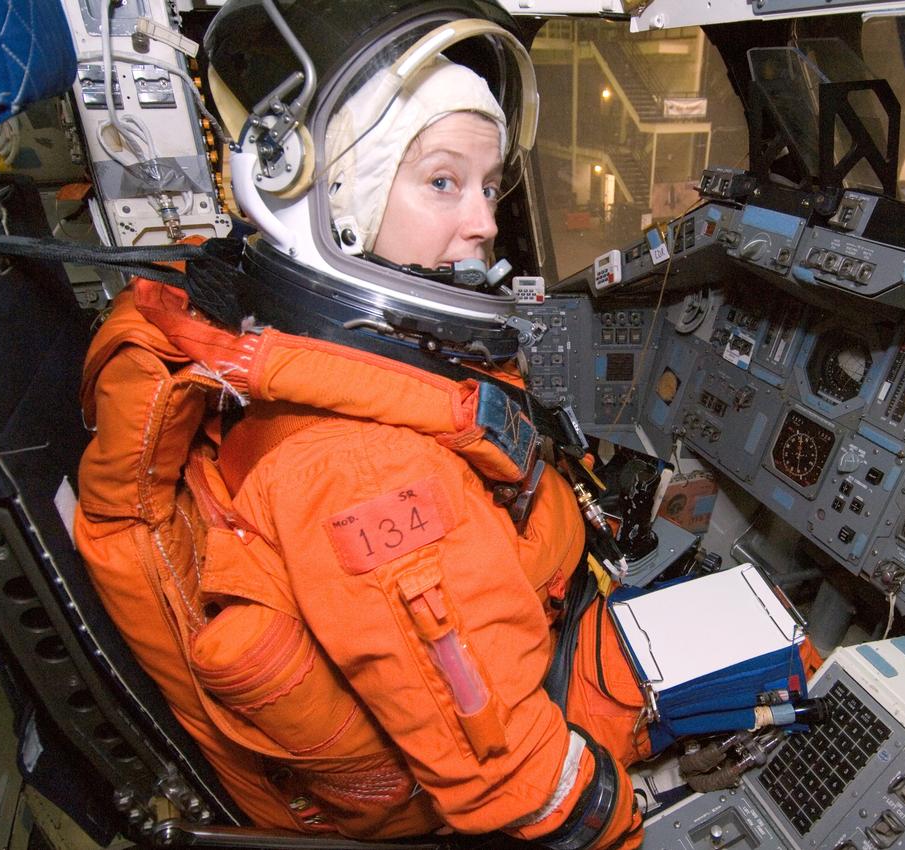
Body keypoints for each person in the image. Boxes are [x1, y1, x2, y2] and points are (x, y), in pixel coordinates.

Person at [74, 2, 651, 848]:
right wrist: (629, 823)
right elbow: (513, 779)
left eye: (490, 187)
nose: (486, 222)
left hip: (535, 631)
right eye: (443, 182)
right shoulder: (362, 471)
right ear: (337, 199)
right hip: (521, 743)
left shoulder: (292, 364)